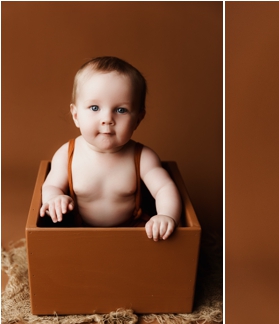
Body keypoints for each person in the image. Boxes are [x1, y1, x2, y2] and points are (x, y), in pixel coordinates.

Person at [40, 56, 181, 241]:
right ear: (76, 115)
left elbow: (165, 188)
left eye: (121, 110)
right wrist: (54, 199)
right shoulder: (67, 154)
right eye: (94, 107)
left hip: (132, 230)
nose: (107, 118)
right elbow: (51, 185)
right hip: (80, 230)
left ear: (138, 119)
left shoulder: (143, 157)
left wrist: (166, 216)